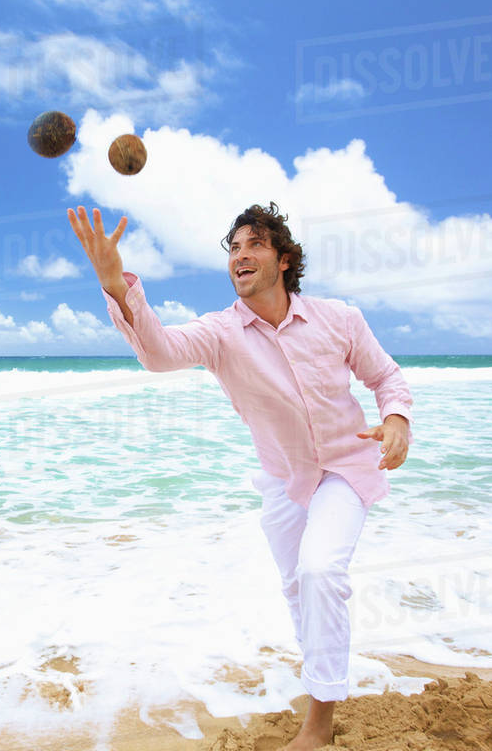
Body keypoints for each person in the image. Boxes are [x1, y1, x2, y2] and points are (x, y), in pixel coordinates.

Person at [66, 202, 413, 751]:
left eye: (254, 245)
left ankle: (318, 726)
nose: (241, 256)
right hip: (284, 480)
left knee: (321, 572)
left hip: (346, 468)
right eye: (233, 249)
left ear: (284, 259)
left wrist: (396, 420)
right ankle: (320, 677)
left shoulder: (339, 319)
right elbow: (159, 354)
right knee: (300, 590)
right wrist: (115, 282)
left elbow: (385, 375)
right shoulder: (221, 334)